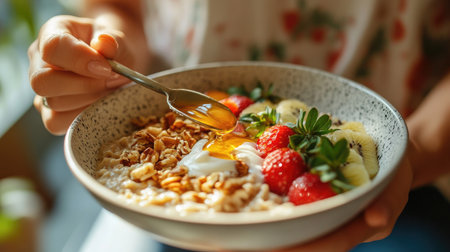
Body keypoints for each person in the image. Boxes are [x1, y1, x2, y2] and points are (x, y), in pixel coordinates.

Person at [28, 0, 450, 251]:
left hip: (407, 173)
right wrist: (107, 48)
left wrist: (417, 145)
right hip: (176, 222)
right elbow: (119, 5)